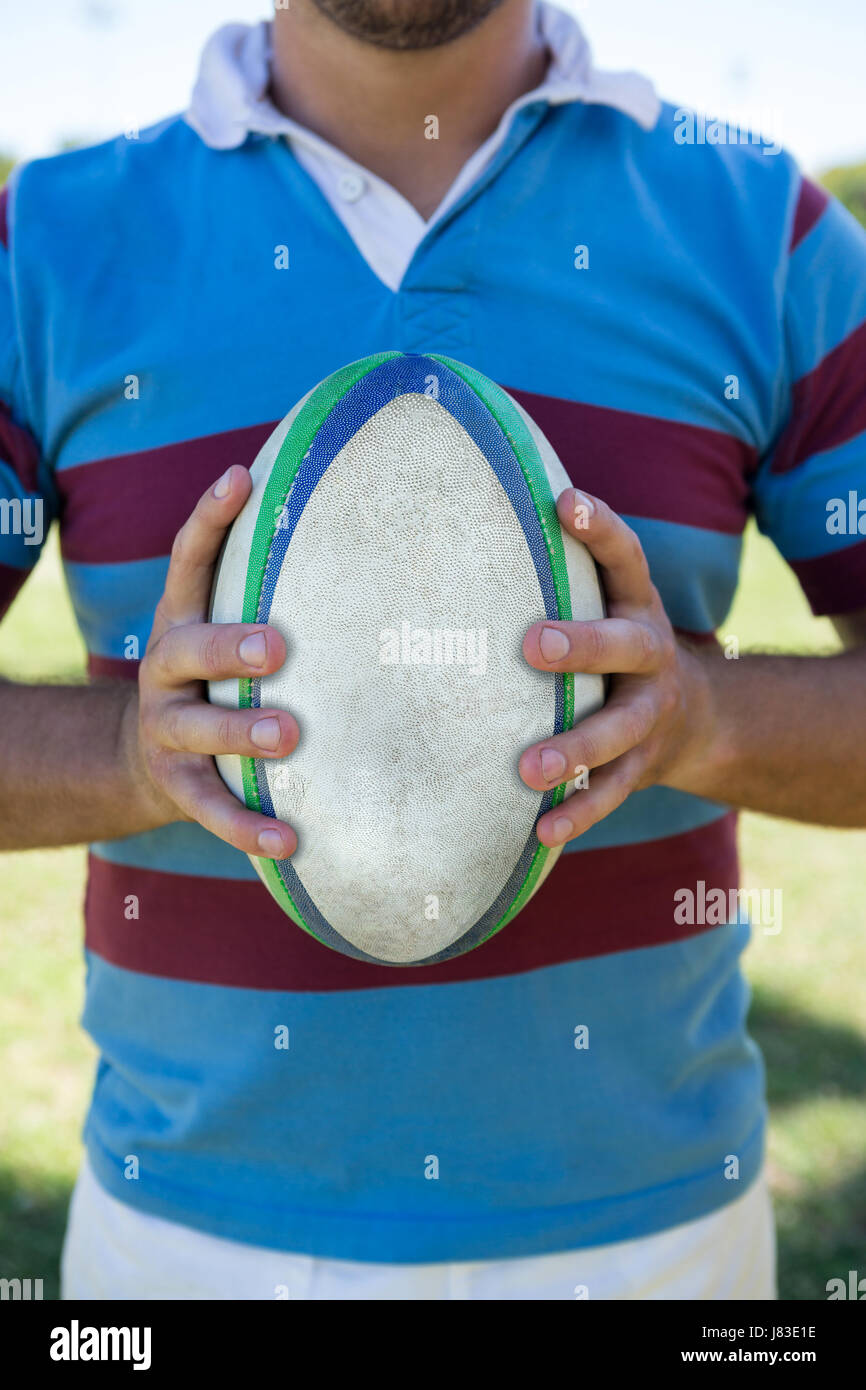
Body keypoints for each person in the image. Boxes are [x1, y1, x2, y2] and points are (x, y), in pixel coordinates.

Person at [1, 0, 864, 1301]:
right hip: (187, 1242)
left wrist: (696, 714)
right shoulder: (47, 244)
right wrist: (128, 749)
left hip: (653, 1239)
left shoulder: (758, 227)